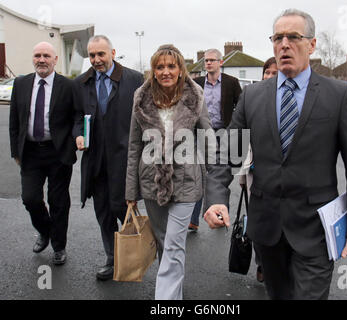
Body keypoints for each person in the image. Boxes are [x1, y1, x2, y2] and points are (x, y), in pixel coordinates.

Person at [204, 8, 347, 300]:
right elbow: (227, 153)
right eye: (278, 37)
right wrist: (217, 198)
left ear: (312, 44)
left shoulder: (339, 96)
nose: (284, 44)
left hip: (316, 230)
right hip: (267, 230)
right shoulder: (253, 96)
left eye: (293, 37)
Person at [125, 44, 215, 300]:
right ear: (153, 71)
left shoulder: (195, 96)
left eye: (171, 66)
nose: (165, 71)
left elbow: (208, 139)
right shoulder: (140, 99)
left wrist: (213, 190)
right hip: (151, 183)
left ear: (180, 69)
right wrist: (131, 191)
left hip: (186, 182)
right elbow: (133, 146)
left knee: (174, 244)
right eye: (160, 66)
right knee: (165, 244)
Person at [72, 35, 144, 280]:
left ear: (113, 52)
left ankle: (134, 258)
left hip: (124, 160)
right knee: (102, 211)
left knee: (122, 208)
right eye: (92, 55)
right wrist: (78, 135)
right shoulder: (82, 83)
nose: (96, 60)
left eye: (101, 54)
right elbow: (76, 117)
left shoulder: (134, 79)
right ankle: (112, 259)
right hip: (95, 161)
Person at [9, 42, 76, 265]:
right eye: (37, 55)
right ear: (33, 58)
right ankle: (45, 230)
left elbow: (76, 116)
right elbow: (14, 122)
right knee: (30, 198)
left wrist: (75, 140)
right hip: (30, 153)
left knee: (59, 202)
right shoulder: (21, 83)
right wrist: (15, 152)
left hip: (58, 154)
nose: (41, 59)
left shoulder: (67, 86)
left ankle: (59, 246)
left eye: (46, 55)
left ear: (55, 59)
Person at [189, 48, 242, 231]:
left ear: (221, 62)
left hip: (223, 133)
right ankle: (194, 219)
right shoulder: (196, 83)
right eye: (206, 60)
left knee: (219, 173)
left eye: (212, 60)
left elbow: (241, 106)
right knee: (199, 174)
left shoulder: (231, 83)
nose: (208, 63)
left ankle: (219, 213)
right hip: (202, 133)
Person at [238, 57, 278, 283]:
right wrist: (242, 174)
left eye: (274, 73)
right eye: (267, 73)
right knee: (258, 220)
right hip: (255, 172)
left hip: (280, 175)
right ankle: (261, 262)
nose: (269, 77)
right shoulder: (253, 97)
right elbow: (241, 140)